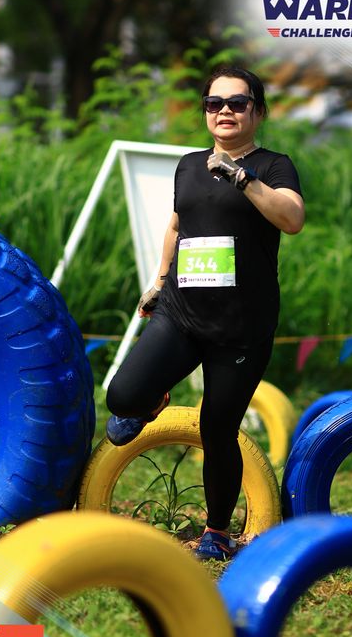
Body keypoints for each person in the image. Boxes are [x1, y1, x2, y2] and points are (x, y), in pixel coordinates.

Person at [106, 66, 305, 561]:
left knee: (218, 430)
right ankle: (152, 399)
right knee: (121, 397)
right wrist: (158, 282)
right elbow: (178, 225)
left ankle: (217, 532)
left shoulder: (274, 165)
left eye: (238, 103)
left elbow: (292, 218)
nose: (225, 111)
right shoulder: (189, 165)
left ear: (258, 111)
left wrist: (242, 178)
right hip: (182, 313)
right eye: (215, 103)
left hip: (242, 328)